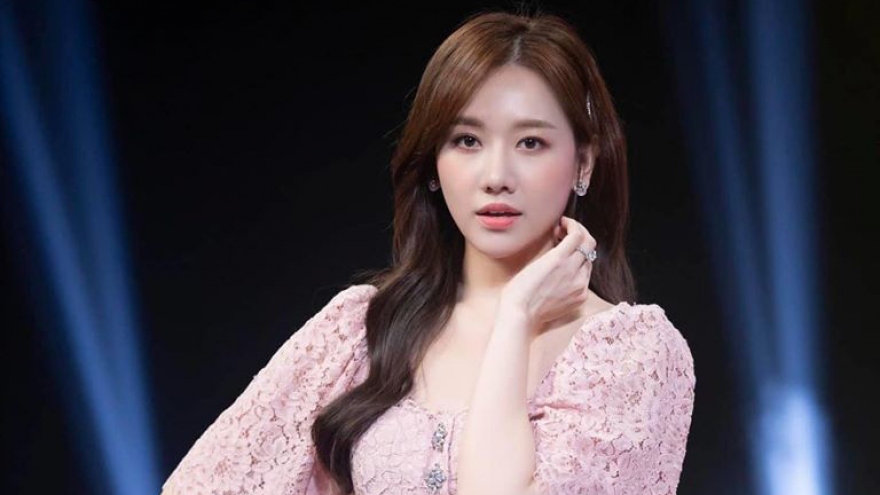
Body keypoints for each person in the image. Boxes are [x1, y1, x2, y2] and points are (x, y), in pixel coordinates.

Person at [161, 9, 695, 495]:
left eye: (530, 143)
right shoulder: (360, 330)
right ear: (433, 164)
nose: (496, 176)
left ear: (584, 163)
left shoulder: (630, 356)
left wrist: (516, 317)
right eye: (467, 141)